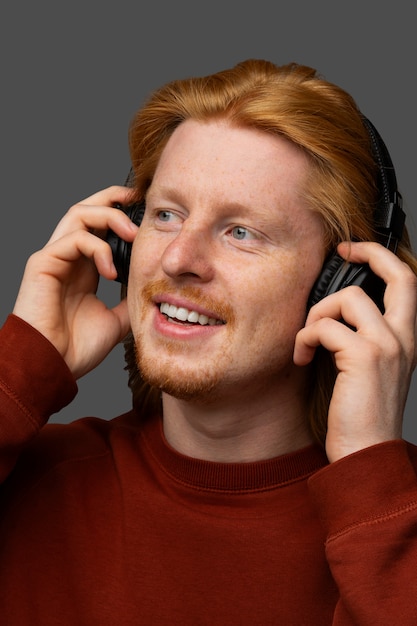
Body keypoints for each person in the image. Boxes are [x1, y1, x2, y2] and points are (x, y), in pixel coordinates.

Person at [0, 58, 416, 625]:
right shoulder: (30, 485)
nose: (177, 260)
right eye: (166, 214)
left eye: (241, 231)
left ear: (345, 282)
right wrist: (18, 371)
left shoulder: (396, 517)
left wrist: (371, 484)